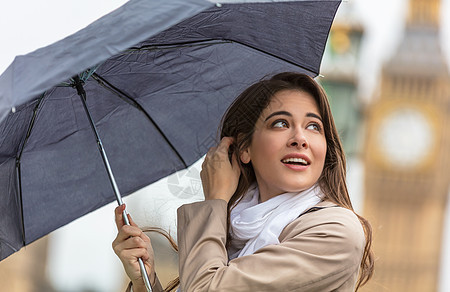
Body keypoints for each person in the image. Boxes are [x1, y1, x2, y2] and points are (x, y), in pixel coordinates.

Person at [112, 72, 374, 291]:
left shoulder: (335, 232)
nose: (300, 138)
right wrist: (145, 280)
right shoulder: (229, 231)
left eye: (314, 126)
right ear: (244, 148)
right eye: (281, 123)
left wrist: (215, 200)